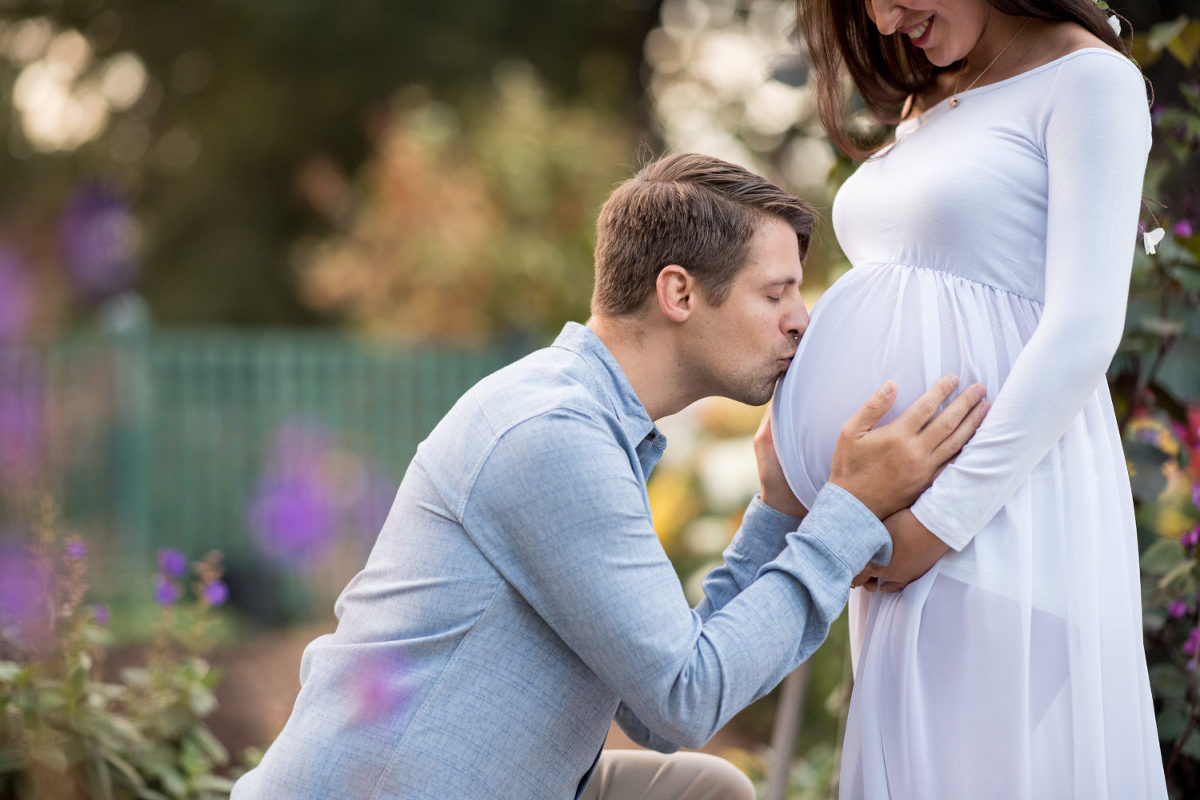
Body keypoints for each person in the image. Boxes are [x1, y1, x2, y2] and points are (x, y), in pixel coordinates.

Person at [230, 153, 988, 800]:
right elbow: (688, 699)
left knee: (709, 789)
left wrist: (777, 513)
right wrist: (849, 515)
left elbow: (660, 709)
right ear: (679, 293)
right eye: (776, 292)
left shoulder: (594, 424)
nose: (801, 318)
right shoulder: (550, 434)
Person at [771, 0, 1168, 797]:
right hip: (900, 518)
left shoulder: (1088, 80)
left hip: (996, 509)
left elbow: (1085, 329)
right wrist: (782, 437)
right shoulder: (933, 97)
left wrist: (936, 523)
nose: (884, 22)